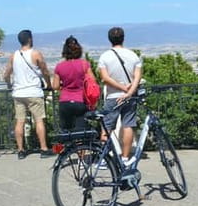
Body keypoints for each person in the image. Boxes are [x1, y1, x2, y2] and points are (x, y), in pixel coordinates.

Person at [3, 29, 54, 159]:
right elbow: (45, 71)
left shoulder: (14, 55)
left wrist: (10, 85)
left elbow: (6, 74)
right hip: (34, 92)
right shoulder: (36, 54)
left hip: (18, 93)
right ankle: (43, 148)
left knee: (19, 121)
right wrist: (48, 85)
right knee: (39, 120)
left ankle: (20, 150)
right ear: (30, 39)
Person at [97, 27, 142, 163]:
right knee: (128, 125)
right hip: (130, 97)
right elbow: (137, 77)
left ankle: (104, 158)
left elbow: (105, 78)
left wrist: (121, 88)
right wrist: (129, 92)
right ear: (123, 38)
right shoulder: (133, 56)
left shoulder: (105, 56)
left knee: (107, 128)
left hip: (112, 96)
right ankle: (125, 157)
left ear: (109, 39)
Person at [52, 36, 96, 131]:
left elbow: (55, 86)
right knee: (82, 132)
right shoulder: (84, 64)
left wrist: (64, 85)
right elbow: (92, 80)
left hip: (65, 102)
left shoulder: (59, 66)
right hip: (81, 101)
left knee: (66, 132)